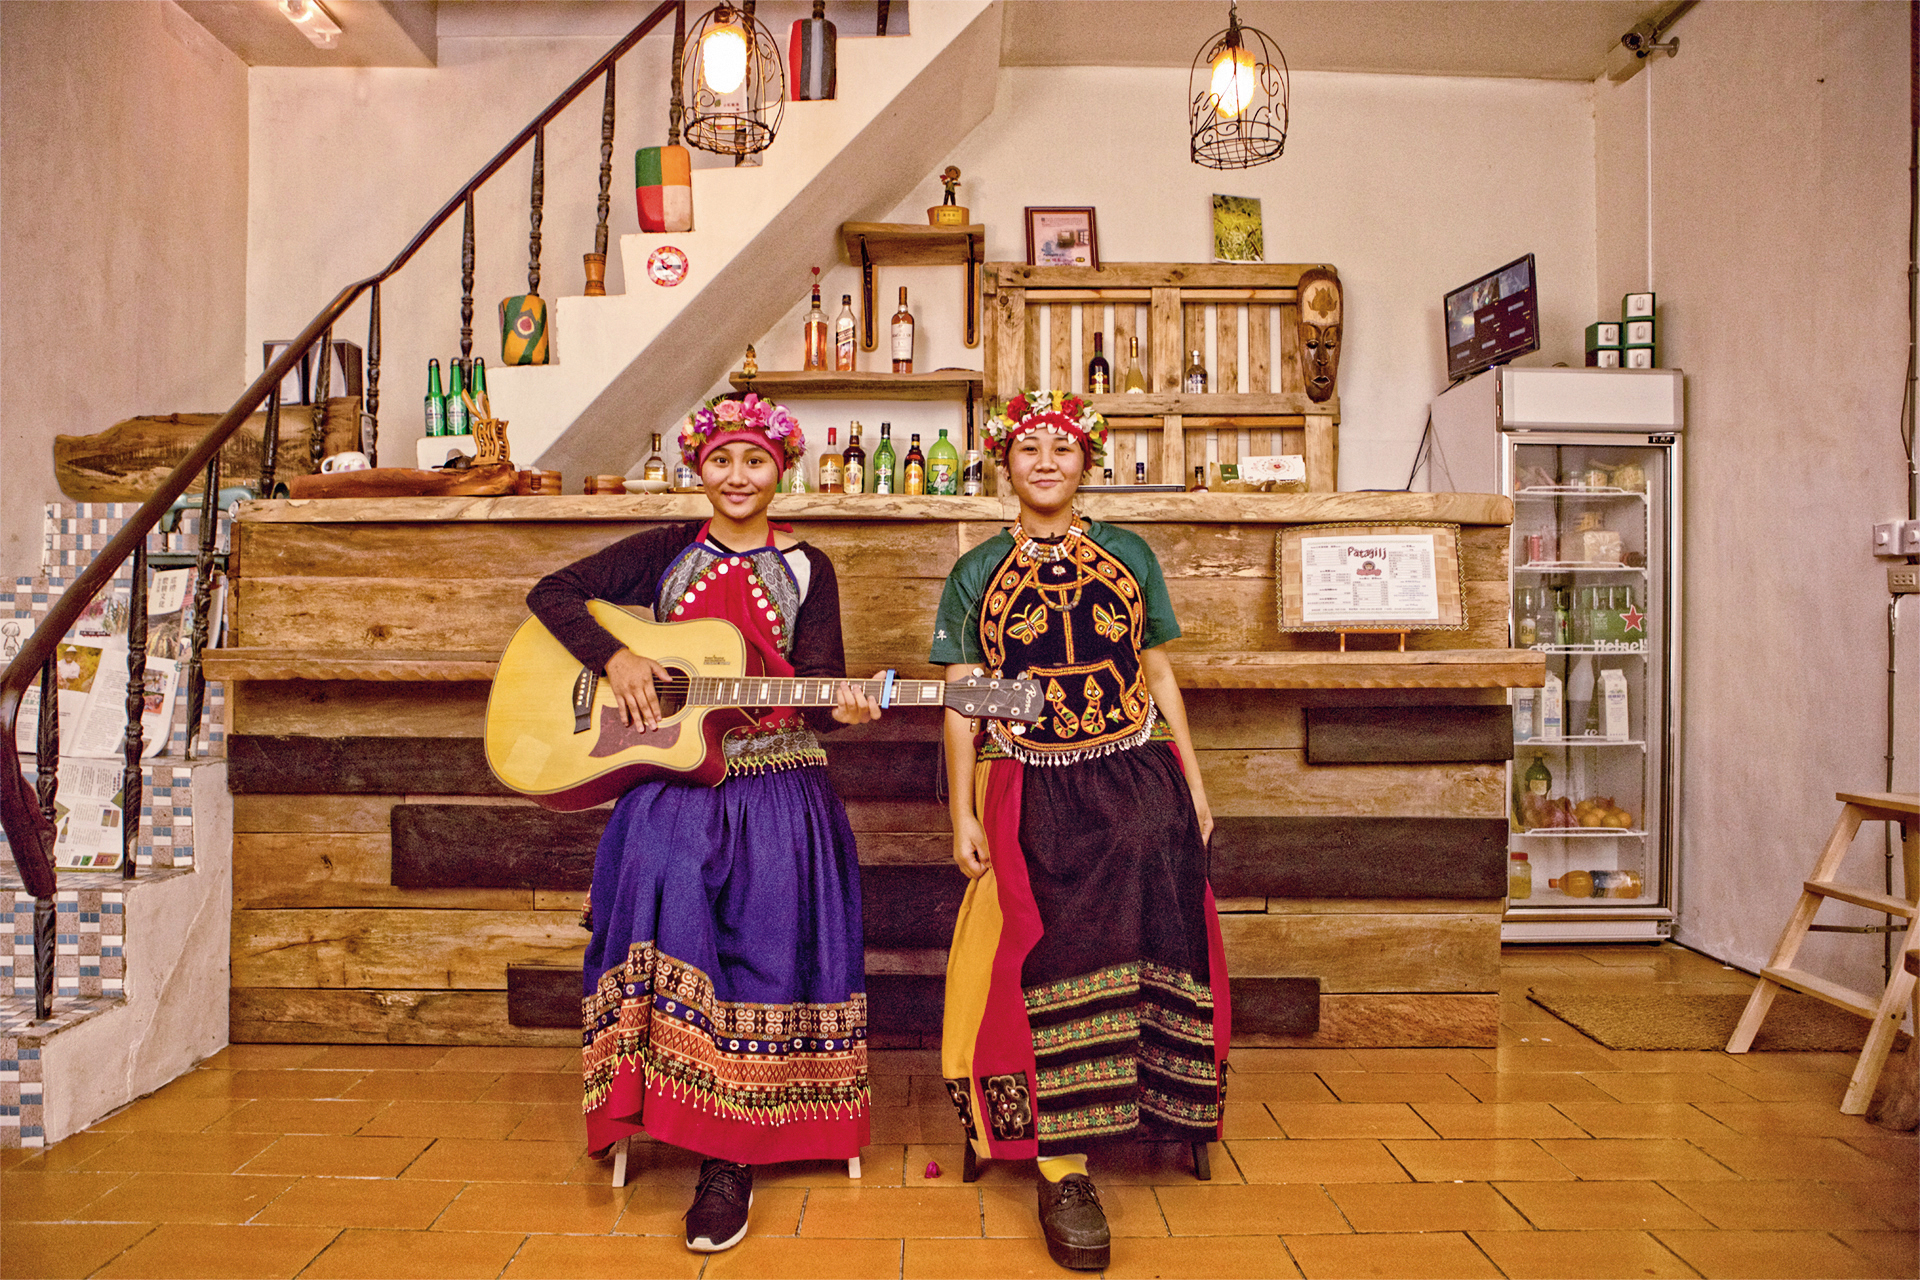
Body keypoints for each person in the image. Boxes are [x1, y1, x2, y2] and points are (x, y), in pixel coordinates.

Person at [526, 393, 881, 1255]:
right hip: (678, 777)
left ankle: (731, 1154)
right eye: (721, 459)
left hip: (780, 779)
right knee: (664, 881)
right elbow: (552, 592)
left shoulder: (809, 569)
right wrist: (617, 656)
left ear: (781, 470)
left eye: (755, 459)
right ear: (698, 467)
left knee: (765, 923)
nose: (737, 475)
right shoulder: (665, 552)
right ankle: (657, 1102)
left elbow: (819, 687)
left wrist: (844, 707)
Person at [931, 390, 1229, 1271]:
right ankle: (1063, 1163)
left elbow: (1157, 674)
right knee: (1056, 942)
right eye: (1029, 448)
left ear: (1086, 463)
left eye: (1062, 447)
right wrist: (961, 811)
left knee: (1161, 901)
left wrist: (1195, 786)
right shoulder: (978, 570)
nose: (1046, 462)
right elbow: (963, 700)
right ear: (1005, 465)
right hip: (1030, 776)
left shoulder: (1129, 554)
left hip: (1136, 763)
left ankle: (1165, 1101)